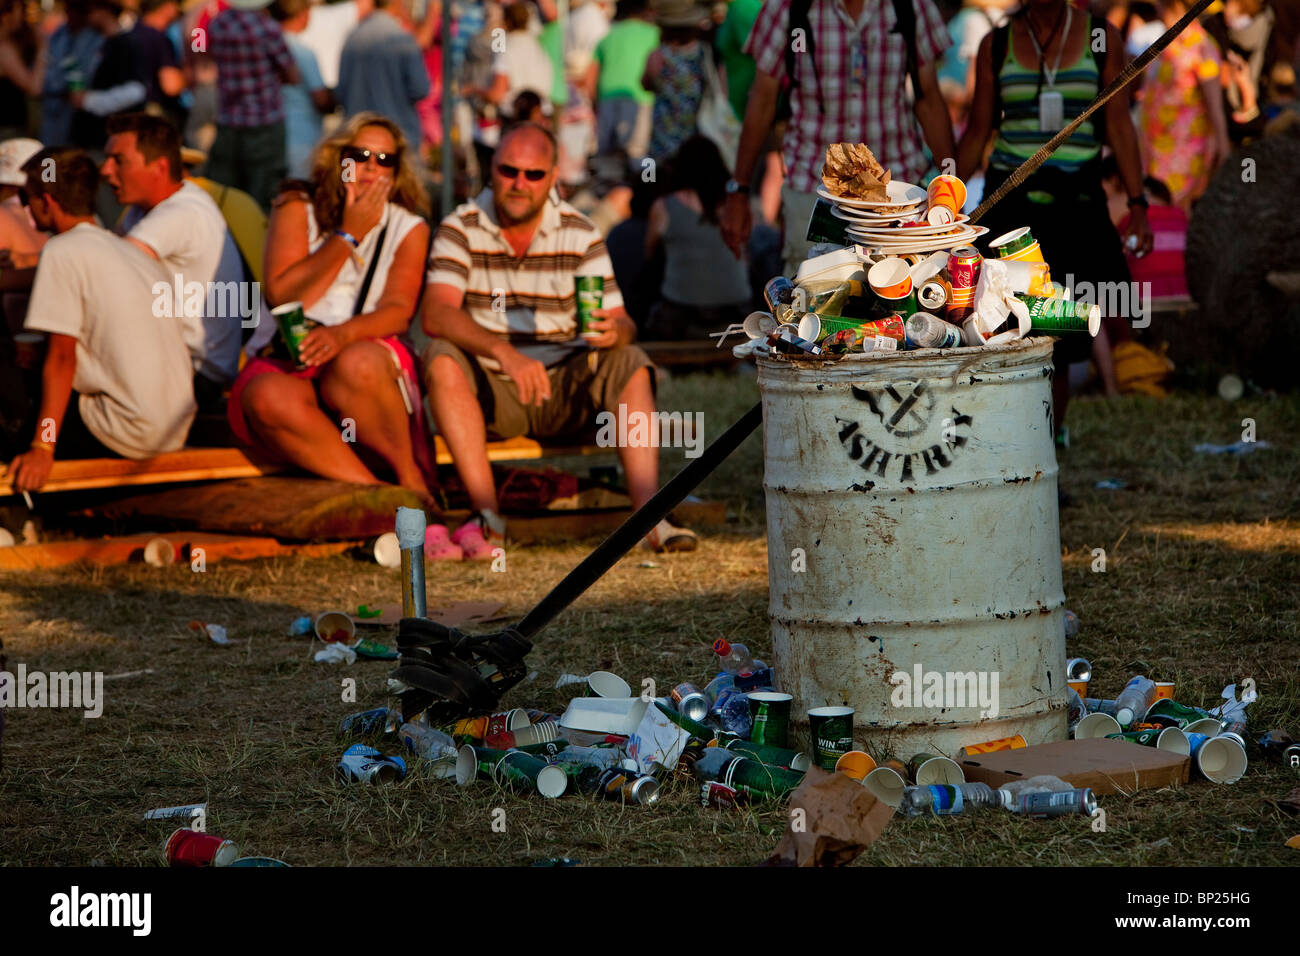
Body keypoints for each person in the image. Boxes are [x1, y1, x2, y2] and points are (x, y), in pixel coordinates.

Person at [421, 122, 697, 556]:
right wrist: (503, 352)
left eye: (533, 175)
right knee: (441, 357)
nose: (518, 183)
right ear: (491, 169)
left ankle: (648, 515)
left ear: (552, 178)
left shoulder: (579, 231)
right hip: (492, 391)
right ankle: (488, 517)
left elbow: (623, 322)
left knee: (630, 359)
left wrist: (615, 330)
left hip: (568, 388)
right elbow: (435, 313)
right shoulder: (460, 226)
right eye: (509, 170)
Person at [956, 0, 1152, 440]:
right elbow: (978, 129)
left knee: (1060, 336)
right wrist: (944, 201)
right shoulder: (997, 42)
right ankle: (1006, 441)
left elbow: (1119, 124)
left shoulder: (1100, 38)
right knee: (1002, 328)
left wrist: (1138, 204)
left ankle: (1047, 446)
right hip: (1012, 206)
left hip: (1077, 206)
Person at [232, 113, 440, 511]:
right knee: (265, 397)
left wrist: (340, 336)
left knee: (356, 362)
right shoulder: (298, 204)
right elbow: (282, 294)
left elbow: (398, 311)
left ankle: (411, 477)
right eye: (360, 155)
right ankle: (381, 496)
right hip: (291, 353)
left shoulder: (408, 227)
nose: (371, 168)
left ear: (396, 174)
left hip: (358, 351)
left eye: (384, 160)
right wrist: (347, 235)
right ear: (337, 157)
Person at [3, 147, 195, 491]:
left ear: (47, 201)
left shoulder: (63, 250)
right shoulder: (133, 255)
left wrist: (42, 445)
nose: (25, 207)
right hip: (174, 428)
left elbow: (62, 359)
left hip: (124, 430)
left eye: (25, 197)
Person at [723, 0, 957, 277]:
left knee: (898, 301)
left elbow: (929, 99)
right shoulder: (787, 8)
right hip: (813, 198)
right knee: (810, 306)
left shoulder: (911, 6)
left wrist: (952, 189)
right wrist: (738, 191)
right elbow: (762, 101)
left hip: (898, 199)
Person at [101, 113, 244, 408]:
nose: (105, 170)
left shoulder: (181, 212)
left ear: (160, 167)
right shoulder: (146, 207)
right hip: (174, 365)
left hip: (196, 376)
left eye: (119, 160)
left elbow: (100, 276)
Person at [643, 135, 751, 339]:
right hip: (736, 313)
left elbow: (648, 255)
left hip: (680, 315)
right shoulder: (735, 208)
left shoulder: (664, 206)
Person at [205, 0, 301, 209]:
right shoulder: (267, 28)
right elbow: (293, 75)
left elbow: (201, 53)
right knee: (264, 194)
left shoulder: (217, 24)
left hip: (228, 120)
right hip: (265, 121)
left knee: (227, 194)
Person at [1137, 0, 1231, 209]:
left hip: (1183, 154)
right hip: (1152, 151)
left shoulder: (1202, 46)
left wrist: (1222, 147)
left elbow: (1215, 104)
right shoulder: (1163, 42)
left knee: (1175, 214)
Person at [336, 0, 430, 160]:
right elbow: (420, 88)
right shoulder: (402, 39)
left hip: (357, 138)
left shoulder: (353, 36)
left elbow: (340, 93)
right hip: (396, 138)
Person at [269, 0, 334, 180]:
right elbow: (321, 99)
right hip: (301, 138)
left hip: (269, 134)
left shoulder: (263, 46)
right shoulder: (302, 51)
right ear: (303, 14)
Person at [641, 0, 711, 165]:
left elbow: (645, 83)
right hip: (696, 134)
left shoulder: (658, 55)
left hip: (662, 136)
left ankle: (648, 184)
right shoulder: (703, 52)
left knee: (653, 176)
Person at [590, 0, 658, 160]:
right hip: (641, 99)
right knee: (641, 153)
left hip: (607, 98)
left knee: (607, 153)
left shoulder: (607, 36)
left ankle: (609, 184)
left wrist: (594, 102)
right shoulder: (654, 33)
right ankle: (647, 182)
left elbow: (591, 75)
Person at [39, 0, 104, 147]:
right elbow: (47, 66)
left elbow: (89, 73)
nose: (70, 14)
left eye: (74, 9)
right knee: (50, 158)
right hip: (53, 107)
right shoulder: (58, 35)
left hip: (80, 111)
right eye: (68, 9)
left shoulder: (96, 38)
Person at [0, 0, 43, 140]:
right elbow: (34, 88)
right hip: (8, 130)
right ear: (7, 14)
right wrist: (43, 49)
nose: (24, 17)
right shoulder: (3, 48)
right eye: (22, 10)